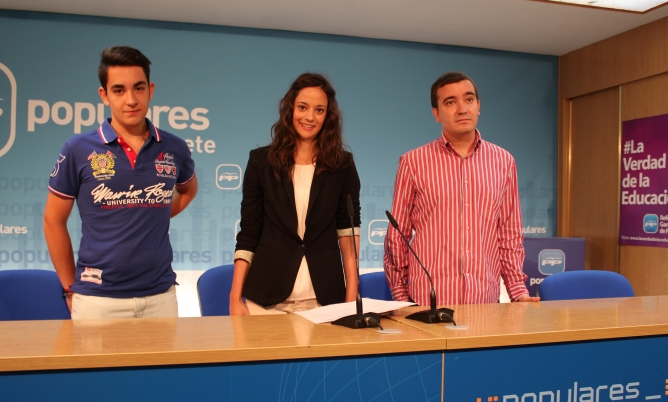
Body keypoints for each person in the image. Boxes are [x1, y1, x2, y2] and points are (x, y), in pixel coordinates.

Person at [44, 46, 198, 319]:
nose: (131, 100)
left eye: (139, 88)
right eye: (119, 90)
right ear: (104, 95)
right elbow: (53, 220)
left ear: (150, 90)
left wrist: (150, 211)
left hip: (160, 297)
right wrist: (69, 288)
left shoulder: (174, 147)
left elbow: (188, 191)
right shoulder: (77, 148)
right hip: (97, 301)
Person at [383, 71, 538, 307]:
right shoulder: (412, 162)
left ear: (478, 106)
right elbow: (398, 235)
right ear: (436, 113)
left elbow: (509, 233)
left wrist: (517, 290)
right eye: (450, 102)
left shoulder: (504, 161)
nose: (462, 109)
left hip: (484, 302)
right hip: (427, 303)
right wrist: (401, 297)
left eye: (469, 99)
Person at [229, 73, 361, 315]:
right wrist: (235, 296)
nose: (309, 117)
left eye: (319, 110)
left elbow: (348, 232)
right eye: (302, 107)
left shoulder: (342, 165)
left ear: (328, 116)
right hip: (267, 300)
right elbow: (249, 231)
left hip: (325, 300)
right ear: (290, 109)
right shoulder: (261, 162)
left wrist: (352, 297)